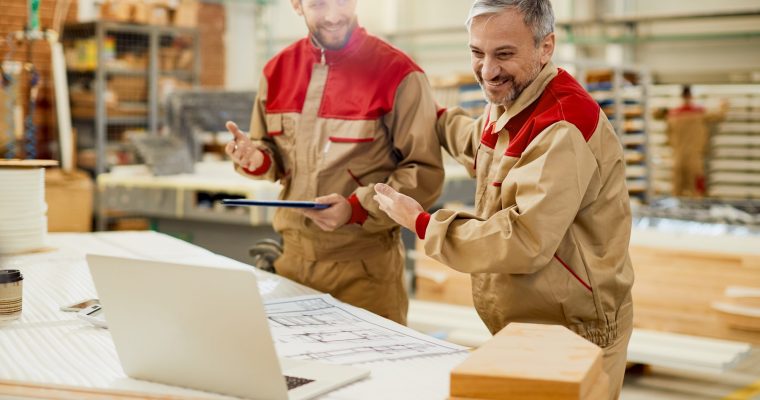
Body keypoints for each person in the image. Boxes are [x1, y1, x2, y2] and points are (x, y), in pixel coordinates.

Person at [373, 1, 633, 398]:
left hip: (574, 333)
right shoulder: (514, 104)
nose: (488, 71)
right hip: (528, 325)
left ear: (546, 47)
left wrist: (422, 223)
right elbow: (478, 144)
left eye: (504, 54)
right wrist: (425, 110)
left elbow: (523, 240)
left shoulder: (562, 125)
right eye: (477, 53)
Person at [224, 0, 444, 325]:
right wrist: (256, 158)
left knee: (377, 374)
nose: (333, 15)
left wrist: (357, 209)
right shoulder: (276, 72)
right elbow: (273, 155)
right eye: (318, 4)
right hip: (291, 266)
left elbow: (423, 172)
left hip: (364, 274)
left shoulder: (398, 73)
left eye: (342, 0)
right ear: (297, 5)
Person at [660, 85, 727, 197]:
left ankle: (677, 210)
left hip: (677, 157)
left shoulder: (673, 114)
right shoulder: (699, 113)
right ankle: (696, 206)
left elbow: (658, 118)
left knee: (677, 187)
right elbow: (719, 115)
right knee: (697, 187)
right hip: (694, 157)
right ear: (691, 96)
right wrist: (724, 105)